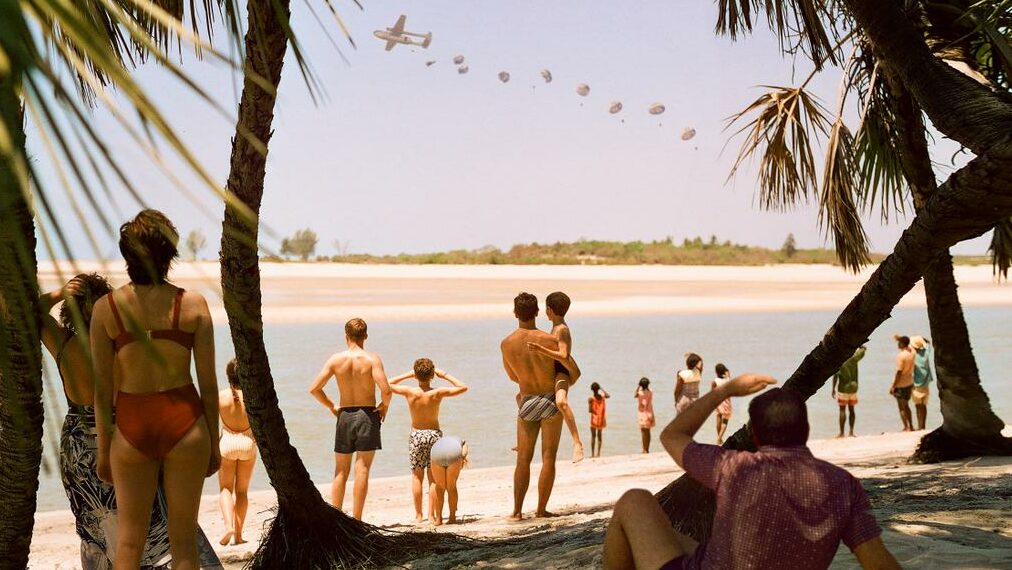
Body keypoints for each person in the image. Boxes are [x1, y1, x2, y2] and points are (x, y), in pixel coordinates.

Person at [602, 376, 901, 570]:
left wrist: (725, 390)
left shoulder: (734, 467)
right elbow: (877, 561)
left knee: (635, 501)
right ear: (805, 431)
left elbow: (672, 436)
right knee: (684, 540)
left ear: (756, 436)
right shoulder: (843, 485)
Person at [91, 210, 222, 569]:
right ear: (169, 254)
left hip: (133, 423)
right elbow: (209, 386)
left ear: (127, 255)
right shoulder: (193, 304)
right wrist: (215, 440)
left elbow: (102, 392)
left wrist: (104, 450)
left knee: (129, 544)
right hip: (185, 420)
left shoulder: (106, 309)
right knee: (184, 545)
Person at [308, 317, 391, 520]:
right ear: (366, 336)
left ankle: (336, 518)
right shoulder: (372, 359)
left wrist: (332, 407)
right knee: (362, 469)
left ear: (346, 335)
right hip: (367, 415)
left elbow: (314, 389)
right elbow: (386, 391)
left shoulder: (336, 360)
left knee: (340, 471)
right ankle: (357, 519)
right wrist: (383, 408)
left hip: (345, 415)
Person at [501, 292, 572, 520]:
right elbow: (566, 367)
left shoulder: (506, 344)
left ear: (514, 313)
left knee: (523, 458)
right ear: (537, 312)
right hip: (550, 400)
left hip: (528, 400)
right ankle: (541, 509)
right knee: (548, 457)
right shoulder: (550, 340)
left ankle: (517, 511)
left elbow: (512, 377)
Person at [388, 358, 468, 524]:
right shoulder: (436, 393)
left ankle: (418, 515)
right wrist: (444, 375)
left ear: (416, 375)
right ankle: (431, 515)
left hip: (417, 436)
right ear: (432, 374)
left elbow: (387, 383)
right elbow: (463, 387)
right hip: (434, 436)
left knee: (417, 477)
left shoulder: (409, 392)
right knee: (433, 478)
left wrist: (409, 375)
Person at [526, 291, 585, 463]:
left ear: (549, 310)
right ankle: (522, 441)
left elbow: (563, 355)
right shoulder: (555, 328)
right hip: (552, 371)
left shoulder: (562, 329)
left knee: (561, 402)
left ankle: (577, 443)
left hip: (562, 371)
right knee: (522, 395)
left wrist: (540, 349)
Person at [217, 359, 257, 546]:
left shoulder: (221, 396)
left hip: (227, 443)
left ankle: (228, 526)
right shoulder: (252, 397)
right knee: (242, 491)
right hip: (247, 443)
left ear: (228, 376)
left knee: (226, 488)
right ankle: (239, 536)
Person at [429, 435, 469, 525]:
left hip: (437, 451)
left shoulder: (441, 441)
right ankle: (452, 518)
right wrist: (462, 458)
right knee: (451, 487)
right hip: (454, 451)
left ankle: (438, 519)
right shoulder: (462, 441)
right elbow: (464, 452)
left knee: (439, 487)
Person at [832, 346, 866, 438]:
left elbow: (835, 376)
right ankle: (851, 432)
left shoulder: (839, 361)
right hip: (853, 388)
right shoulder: (854, 358)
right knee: (852, 409)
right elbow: (863, 350)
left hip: (843, 389)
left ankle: (842, 433)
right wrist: (861, 346)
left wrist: (833, 389)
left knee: (842, 410)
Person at [890, 335, 915, 431]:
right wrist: (900, 338)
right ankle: (911, 426)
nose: (897, 344)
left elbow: (899, 372)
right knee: (907, 405)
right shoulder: (911, 354)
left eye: (899, 342)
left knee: (901, 407)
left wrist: (893, 386)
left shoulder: (901, 356)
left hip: (901, 384)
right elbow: (911, 347)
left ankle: (906, 426)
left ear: (902, 344)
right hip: (909, 382)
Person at [910, 336, 933, 431]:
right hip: (926, 383)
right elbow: (928, 344)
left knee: (917, 406)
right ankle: (923, 425)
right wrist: (923, 340)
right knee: (924, 406)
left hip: (916, 384)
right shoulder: (926, 353)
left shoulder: (913, 355)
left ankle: (920, 426)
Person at [711, 364, 733, 445]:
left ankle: (719, 438)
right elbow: (728, 372)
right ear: (723, 371)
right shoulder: (728, 380)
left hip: (717, 401)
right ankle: (719, 438)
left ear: (716, 372)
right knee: (725, 421)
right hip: (726, 401)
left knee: (718, 418)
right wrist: (726, 370)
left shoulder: (715, 381)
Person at [588, 382, 610, 458]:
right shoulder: (602, 397)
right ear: (598, 389)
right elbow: (608, 395)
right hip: (601, 420)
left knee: (593, 436)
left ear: (592, 389)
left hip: (594, 419)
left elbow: (590, 410)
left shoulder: (591, 399)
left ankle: (593, 454)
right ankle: (598, 454)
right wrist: (601, 388)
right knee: (599, 436)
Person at [635, 378, 655, 453]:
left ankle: (644, 449)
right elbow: (648, 390)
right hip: (650, 412)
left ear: (641, 385)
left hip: (642, 413)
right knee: (648, 432)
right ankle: (647, 449)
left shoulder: (640, 393)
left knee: (643, 432)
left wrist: (638, 386)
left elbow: (635, 395)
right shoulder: (651, 392)